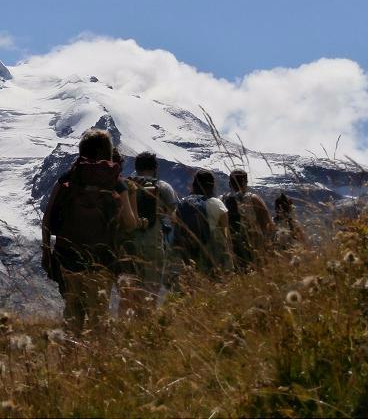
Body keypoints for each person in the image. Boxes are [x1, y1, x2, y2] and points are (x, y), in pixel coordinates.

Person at [41, 128, 141, 333]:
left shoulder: (68, 178)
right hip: (102, 261)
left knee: (72, 314)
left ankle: (69, 359)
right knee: (99, 317)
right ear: (108, 151)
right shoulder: (116, 183)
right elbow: (130, 224)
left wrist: (46, 253)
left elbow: (47, 219)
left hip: (68, 259)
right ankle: (97, 361)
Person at [123, 152, 179, 301]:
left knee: (129, 294)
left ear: (136, 167)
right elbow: (174, 215)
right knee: (151, 293)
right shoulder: (163, 187)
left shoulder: (127, 184)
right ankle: (148, 321)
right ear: (155, 168)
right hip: (153, 244)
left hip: (128, 244)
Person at [173, 169, 234, 276]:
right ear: (212, 185)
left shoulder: (183, 203)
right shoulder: (217, 204)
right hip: (211, 256)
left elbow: (175, 225)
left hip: (187, 255)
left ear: (194, 184)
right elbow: (226, 236)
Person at [222, 169, 274, 270]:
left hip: (230, 250)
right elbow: (268, 225)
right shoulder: (253, 199)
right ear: (245, 183)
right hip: (252, 249)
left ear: (229, 183)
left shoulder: (221, 200)